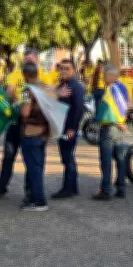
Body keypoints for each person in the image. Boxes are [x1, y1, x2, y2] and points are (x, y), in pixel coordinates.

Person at [0, 50, 45, 199]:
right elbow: (9, 93)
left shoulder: (34, 84)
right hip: (17, 121)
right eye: (25, 61)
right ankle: (2, 187)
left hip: (32, 123)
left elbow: (26, 106)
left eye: (30, 61)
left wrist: (22, 102)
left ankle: (31, 192)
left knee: (32, 160)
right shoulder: (19, 78)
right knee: (9, 155)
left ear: (37, 62)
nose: (27, 63)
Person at [93, 65, 129, 201]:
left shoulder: (109, 90)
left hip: (109, 128)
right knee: (120, 159)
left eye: (105, 75)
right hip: (121, 128)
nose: (103, 78)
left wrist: (98, 119)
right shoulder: (123, 88)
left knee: (106, 161)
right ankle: (121, 188)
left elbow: (105, 113)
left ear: (112, 76)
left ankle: (106, 190)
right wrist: (122, 122)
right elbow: (127, 106)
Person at [18, 62, 51, 211]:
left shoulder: (27, 90)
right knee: (39, 166)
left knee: (33, 168)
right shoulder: (46, 88)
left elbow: (25, 112)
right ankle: (34, 196)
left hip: (30, 132)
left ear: (25, 75)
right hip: (44, 132)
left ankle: (39, 200)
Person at [53, 59, 86, 199]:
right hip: (61, 127)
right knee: (68, 157)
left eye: (67, 68)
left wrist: (72, 128)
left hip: (69, 129)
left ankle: (68, 188)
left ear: (73, 70)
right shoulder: (62, 85)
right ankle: (72, 187)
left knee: (67, 157)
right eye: (62, 68)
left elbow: (79, 109)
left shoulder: (76, 87)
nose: (64, 71)